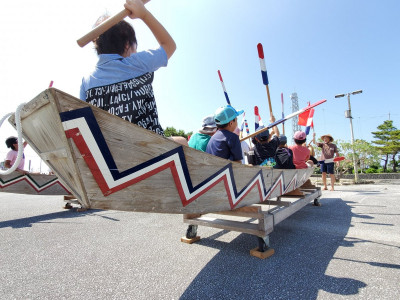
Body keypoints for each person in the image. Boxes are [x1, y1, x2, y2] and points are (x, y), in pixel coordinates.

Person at [80, 0, 176, 137]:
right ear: (127, 45)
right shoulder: (136, 63)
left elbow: (84, 120)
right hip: (150, 147)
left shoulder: (87, 81)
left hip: (112, 150)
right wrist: (144, 14)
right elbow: (169, 45)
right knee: (182, 141)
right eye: (134, 48)